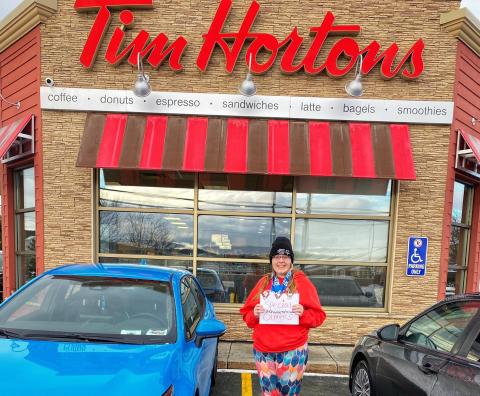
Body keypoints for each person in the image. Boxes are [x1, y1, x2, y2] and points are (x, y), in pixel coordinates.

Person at [240, 236, 326, 396]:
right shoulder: (263, 283)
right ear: (271, 260)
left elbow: (319, 316)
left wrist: (303, 314)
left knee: (288, 394)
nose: (281, 261)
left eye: (285, 257)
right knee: (268, 393)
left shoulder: (302, 283)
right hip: (263, 352)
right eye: (277, 257)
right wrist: (254, 313)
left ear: (291, 260)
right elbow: (247, 317)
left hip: (292, 351)